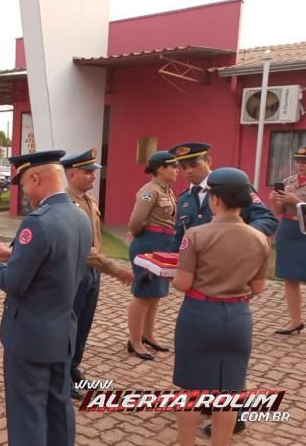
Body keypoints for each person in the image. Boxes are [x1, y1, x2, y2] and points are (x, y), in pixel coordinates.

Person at [0, 150, 91, 446]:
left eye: (24, 183)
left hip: (30, 336)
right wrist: (12, 253)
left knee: (28, 414)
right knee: (59, 408)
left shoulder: (37, 222)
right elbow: (55, 262)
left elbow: (14, 282)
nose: (25, 192)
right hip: (62, 332)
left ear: (36, 178)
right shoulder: (80, 216)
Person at [169, 141, 278, 436]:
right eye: (182, 166)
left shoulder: (231, 191)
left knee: (190, 390)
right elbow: (258, 286)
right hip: (237, 314)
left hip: (199, 310)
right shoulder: (186, 198)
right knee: (229, 390)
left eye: (193, 164)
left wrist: (233, 242)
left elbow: (267, 218)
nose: (187, 170)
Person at [61, 149, 133, 399]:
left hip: (93, 272)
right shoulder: (66, 204)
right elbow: (83, 248)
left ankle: (73, 367)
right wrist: (115, 269)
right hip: (76, 272)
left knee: (84, 323)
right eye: (88, 172)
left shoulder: (89, 200)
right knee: (69, 325)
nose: (93, 176)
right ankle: (62, 375)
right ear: (71, 175)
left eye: (94, 171)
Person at [169, 142, 278, 251]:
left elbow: (266, 219)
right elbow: (179, 238)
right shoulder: (183, 199)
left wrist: (243, 234)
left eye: (194, 165)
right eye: (184, 167)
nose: (189, 171)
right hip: (197, 258)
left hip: (231, 253)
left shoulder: (231, 186)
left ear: (208, 161)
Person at [126, 151, 178, 360]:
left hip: (163, 244)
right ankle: (135, 340)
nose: (177, 170)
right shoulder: (149, 191)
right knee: (143, 294)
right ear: (161, 169)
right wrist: (139, 236)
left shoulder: (167, 191)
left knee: (155, 294)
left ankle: (148, 335)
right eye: (173, 166)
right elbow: (136, 221)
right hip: (148, 244)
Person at [270, 145, 306, 335]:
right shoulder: (288, 181)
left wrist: (296, 201)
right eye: (299, 161)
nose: (301, 165)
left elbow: (297, 205)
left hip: (304, 231)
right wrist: (275, 201)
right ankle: (295, 321)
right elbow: (279, 211)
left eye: (305, 162)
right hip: (288, 230)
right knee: (290, 277)